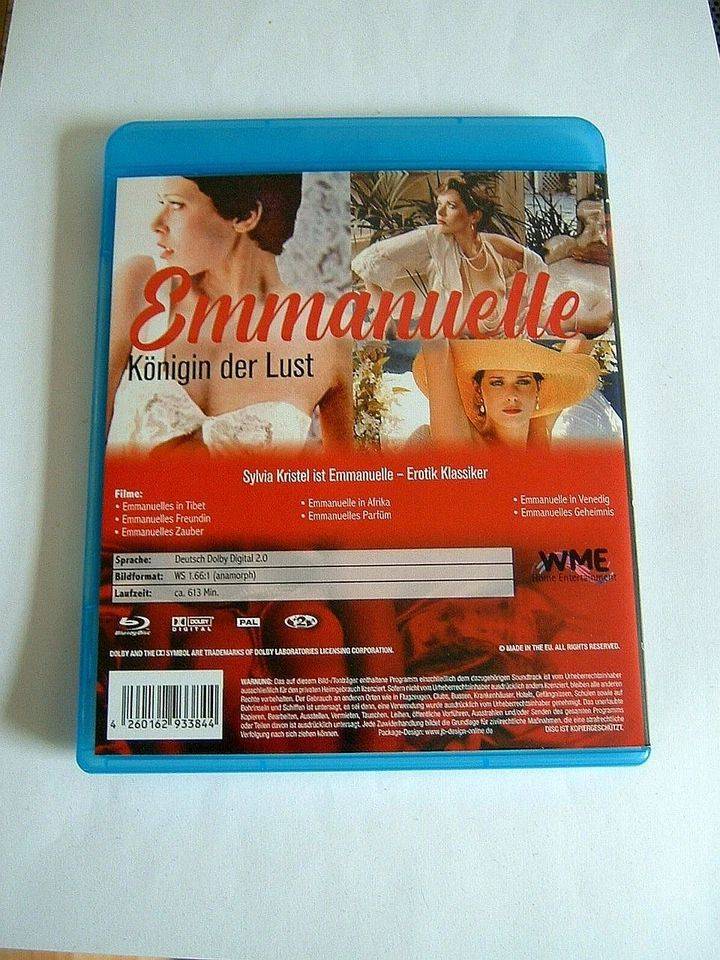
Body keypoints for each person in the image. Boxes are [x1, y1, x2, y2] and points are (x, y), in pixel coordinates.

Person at [106, 174, 353, 452]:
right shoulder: (142, 286)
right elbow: (88, 440)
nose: (156, 224)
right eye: (161, 203)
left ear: (246, 216)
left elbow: (343, 476)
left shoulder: (329, 335)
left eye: (176, 205)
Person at [352, 175, 612, 338]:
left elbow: (535, 263)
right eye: (439, 205)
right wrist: (386, 320)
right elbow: (369, 260)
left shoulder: (492, 243)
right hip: (462, 341)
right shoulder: (434, 238)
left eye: (451, 206)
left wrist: (531, 303)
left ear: (474, 215)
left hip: (507, 328)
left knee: (598, 322)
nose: (440, 213)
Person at [411, 338, 600, 448]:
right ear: (478, 390)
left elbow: (580, 344)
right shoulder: (463, 445)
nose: (512, 395)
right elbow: (437, 356)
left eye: (523, 382)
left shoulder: (537, 432)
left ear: (538, 389)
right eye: (497, 383)